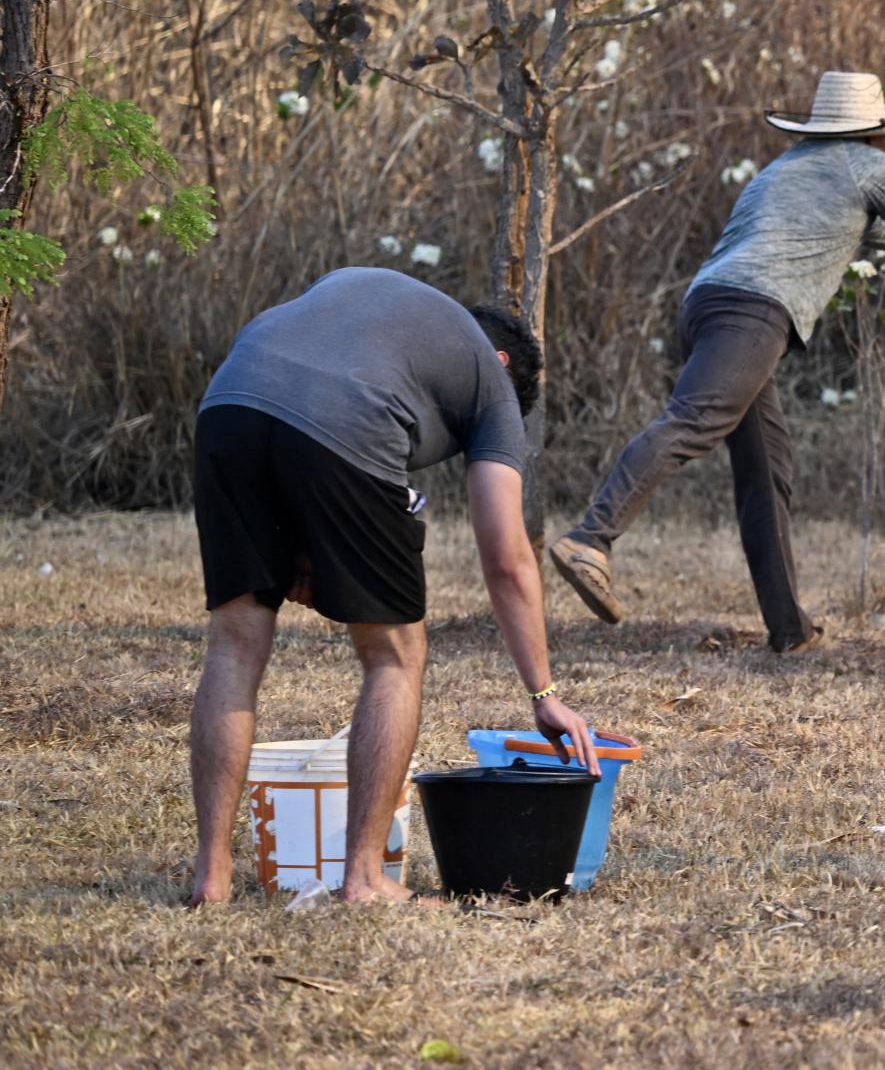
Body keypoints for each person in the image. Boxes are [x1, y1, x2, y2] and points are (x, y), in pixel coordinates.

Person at [547, 70, 885, 650]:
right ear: (874, 134)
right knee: (692, 423)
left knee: (766, 470)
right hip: (755, 310)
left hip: (709, 302)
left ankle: (790, 631)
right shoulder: (870, 166)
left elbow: (863, 230)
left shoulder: (784, 169)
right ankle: (591, 539)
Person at [187, 267, 598, 906]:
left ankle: (211, 878)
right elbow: (508, 559)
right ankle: (364, 878)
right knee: (395, 656)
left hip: (229, 402)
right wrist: (543, 693)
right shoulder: (491, 380)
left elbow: (292, 406)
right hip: (346, 419)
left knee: (234, 645)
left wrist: (303, 536)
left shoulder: (378, 301)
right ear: (502, 361)